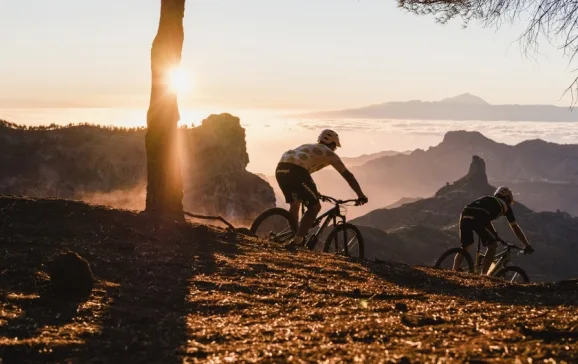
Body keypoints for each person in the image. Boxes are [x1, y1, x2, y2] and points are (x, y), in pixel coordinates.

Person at [275, 129, 368, 249]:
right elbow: (348, 175)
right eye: (335, 147)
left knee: (295, 204)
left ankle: (293, 234)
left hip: (281, 169)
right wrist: (360, 195)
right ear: (333, 144)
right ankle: (297, 241)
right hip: (297, 171)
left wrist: (314, 193)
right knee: (315, 207)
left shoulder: (307, 146)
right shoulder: (330, 154)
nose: (334, 149)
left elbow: (303, 179)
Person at [454, 186, 534, 273]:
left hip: (465, 215)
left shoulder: (487, 198)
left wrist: (494, 233)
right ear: (508, 198)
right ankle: (483, 275)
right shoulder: (506, 206)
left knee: (466, 246)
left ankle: (454, 270)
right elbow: (515, 227)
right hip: (478, 217)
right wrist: (526, 244)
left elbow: (485, 217)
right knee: (492, 246)